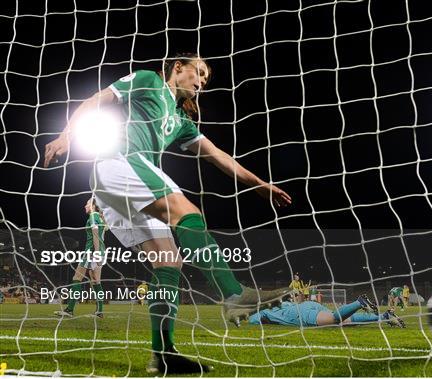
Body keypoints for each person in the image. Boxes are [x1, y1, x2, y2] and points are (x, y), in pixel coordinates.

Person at [43, 52, 292, 374]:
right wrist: (67, 134)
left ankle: (164, 355)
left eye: (205, 78)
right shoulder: (149, 81)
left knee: (168, 261)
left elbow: (217, 155)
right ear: (178, 67)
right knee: (187, 212)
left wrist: (260, 185)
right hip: (120, 162)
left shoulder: (181, 121)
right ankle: (233, 293)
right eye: (198, 72)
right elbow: (95, 100)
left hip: (123, 182)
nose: (201, 81)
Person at [54, 198, 107, 318]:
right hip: (101, 251)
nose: (85, 205)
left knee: (77, 277)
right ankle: (99, 312)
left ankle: (69, 310)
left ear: (93, 206)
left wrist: (96, 253)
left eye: (87, 203)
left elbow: (95, 233)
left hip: (92, 252)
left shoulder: (93, 216)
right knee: (95, 281)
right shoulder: (100, 217)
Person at [248, 295, 404, 328]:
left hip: (299, 314)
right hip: (308, 305)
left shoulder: (263, 310)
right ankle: (384, 316)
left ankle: (359, 302)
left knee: (334, 319)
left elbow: (253, 320)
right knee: (346, 321)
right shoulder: (282, 302)